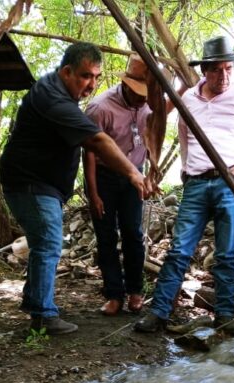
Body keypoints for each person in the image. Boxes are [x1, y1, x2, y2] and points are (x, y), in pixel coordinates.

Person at [0, 42, 151, 336]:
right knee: (49, 243)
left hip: (40, 184)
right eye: (85, 76)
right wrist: (134, 173)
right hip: (30, 183)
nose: (92, 84)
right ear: (66, 72)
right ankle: (43, 315)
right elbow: (96, 141)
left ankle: (36, 303)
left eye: (96, 77)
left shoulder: (58, 93)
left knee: (44, 242)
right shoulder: (51, 98)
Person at [134, 36, 234, 335]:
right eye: (217, 70)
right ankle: (158, 312)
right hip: (196, 183)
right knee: (179, 250)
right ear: (205, 70)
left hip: (230, 183)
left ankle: (224, 315)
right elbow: (184, 138)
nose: (223, 76)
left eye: (228, 70)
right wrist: (186, 170)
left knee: (226, 253)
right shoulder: (189, 100)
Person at [84, 54, 151, 316]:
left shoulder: (148, 104)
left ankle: (135, 291)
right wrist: (93, 192)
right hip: (104, 176)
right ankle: (114, 295)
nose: (143, 99)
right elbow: (89, 151)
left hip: (136, 175)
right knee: (106, 236)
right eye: (138, 94)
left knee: (133, 234)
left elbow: (156, 126)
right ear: (125, 86)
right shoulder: (100, 107)